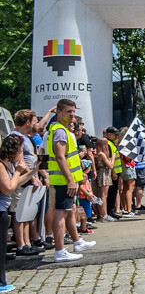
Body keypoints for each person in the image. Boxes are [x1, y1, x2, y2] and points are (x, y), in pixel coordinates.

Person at [44, 99, 96, 262]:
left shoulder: (61, 130)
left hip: (65, 179)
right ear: (59, 112)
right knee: (61, 214)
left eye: (73, 111)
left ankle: (77, 241)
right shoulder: (60, 131)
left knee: (68, 212)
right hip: (63, 181)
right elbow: (60, 157)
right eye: (69, 111)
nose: (72, 114)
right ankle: (60, 251)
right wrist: (71, 180)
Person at [1, 135, 41, 292]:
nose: (22, 154)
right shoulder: (1, 166)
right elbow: (8, 188)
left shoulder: (7, 165)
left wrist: (33, 172)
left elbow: (16, 182)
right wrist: (17, 171)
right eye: (20, 151)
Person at [8, 109, 45, 254]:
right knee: (19, 212)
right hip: (21, 179)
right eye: (34, 121)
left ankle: (27, 243)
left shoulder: (24, 136)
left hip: (28, 178)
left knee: (26, 212)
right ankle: (21, 245)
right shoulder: (16, 137)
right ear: (28, 122)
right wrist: (33, 177)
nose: (35, 125)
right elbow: (19, 159)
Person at [94, 137, 116, 222]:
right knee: (103, 195)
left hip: (104, 173)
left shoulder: (99, 153)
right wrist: (113, 156)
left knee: (102, 195)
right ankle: (104, 214)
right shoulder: (102, 154)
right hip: (103, 173)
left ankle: (101, 214)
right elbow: (110, 166)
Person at [104, 127, 123, 218]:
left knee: (114, 192)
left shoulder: (112, 143)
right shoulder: (108, 144)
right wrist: (113, 172)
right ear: (109, 134)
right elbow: (109, 159)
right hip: (113, 172)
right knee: (111, 193)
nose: (117, 136)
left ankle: (111, 210)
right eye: (115, 134)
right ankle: (110, 211)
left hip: (117, 171)